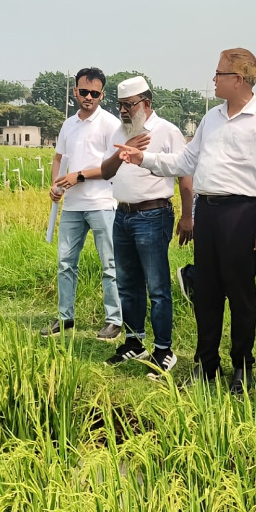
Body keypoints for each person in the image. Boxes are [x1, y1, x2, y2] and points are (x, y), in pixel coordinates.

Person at [116, 48, 256, 395]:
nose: (213, 79)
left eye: (219, 74)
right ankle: (206, 365)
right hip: (208, 212)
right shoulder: (211, 119)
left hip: (242, 214)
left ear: (238, 79)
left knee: (240, 295)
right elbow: (184, 161)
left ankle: (242, 366)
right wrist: (143, 158)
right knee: (206, 294)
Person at [95, 75, 194, 377]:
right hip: (122, 215)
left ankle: (164, 349)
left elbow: (185, 175)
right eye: (121, 105)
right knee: (127, 284)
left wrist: (188, 216)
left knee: (157, 287)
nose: (124, 111)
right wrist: (122, 149)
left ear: (146, 104)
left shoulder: (167, 132)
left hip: (153, 215)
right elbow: (105, 170)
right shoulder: (118, 130)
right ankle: (133, 341)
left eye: (129, 105)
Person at [44, 67, 123, 341]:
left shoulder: (110, 124)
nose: (88, 97)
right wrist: (56, 185)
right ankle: (65, 318)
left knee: (109, 264)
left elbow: (112, 166)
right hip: (73, 206)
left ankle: (114, 320)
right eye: (84, 92)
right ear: (75, 92)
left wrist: (77, 176)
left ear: (102, 94)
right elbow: (58, 158)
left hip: (102, 202)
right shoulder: (69, 124)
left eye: (95, 93)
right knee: (65, 262)